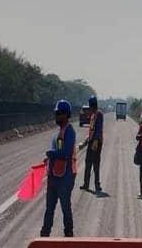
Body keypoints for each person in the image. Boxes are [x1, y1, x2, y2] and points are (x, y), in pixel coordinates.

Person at [40, 100, 77, 237]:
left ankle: (69, 236)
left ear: (66, 115)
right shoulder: (58, 133)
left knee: (65, 208)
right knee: (49, 209)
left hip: (65, 177)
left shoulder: (69, 131)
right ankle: (44, 237)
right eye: (56, 113)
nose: (56, 116)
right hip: (54, 176)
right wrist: (50, 158)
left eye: (59, 114)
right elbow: (58, 152)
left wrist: (52, 153)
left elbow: (66, 153)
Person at [80, 95, 104, 192]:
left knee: (96, 164)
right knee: (88, 163)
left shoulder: (99, 114)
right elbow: (91, 131)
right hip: (92, 142)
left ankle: (97, 185)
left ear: (92, 105)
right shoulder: (93, 115)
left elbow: (98, 129)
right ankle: (86, 184)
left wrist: (95, 142)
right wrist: (85, 143)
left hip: (96, 143)